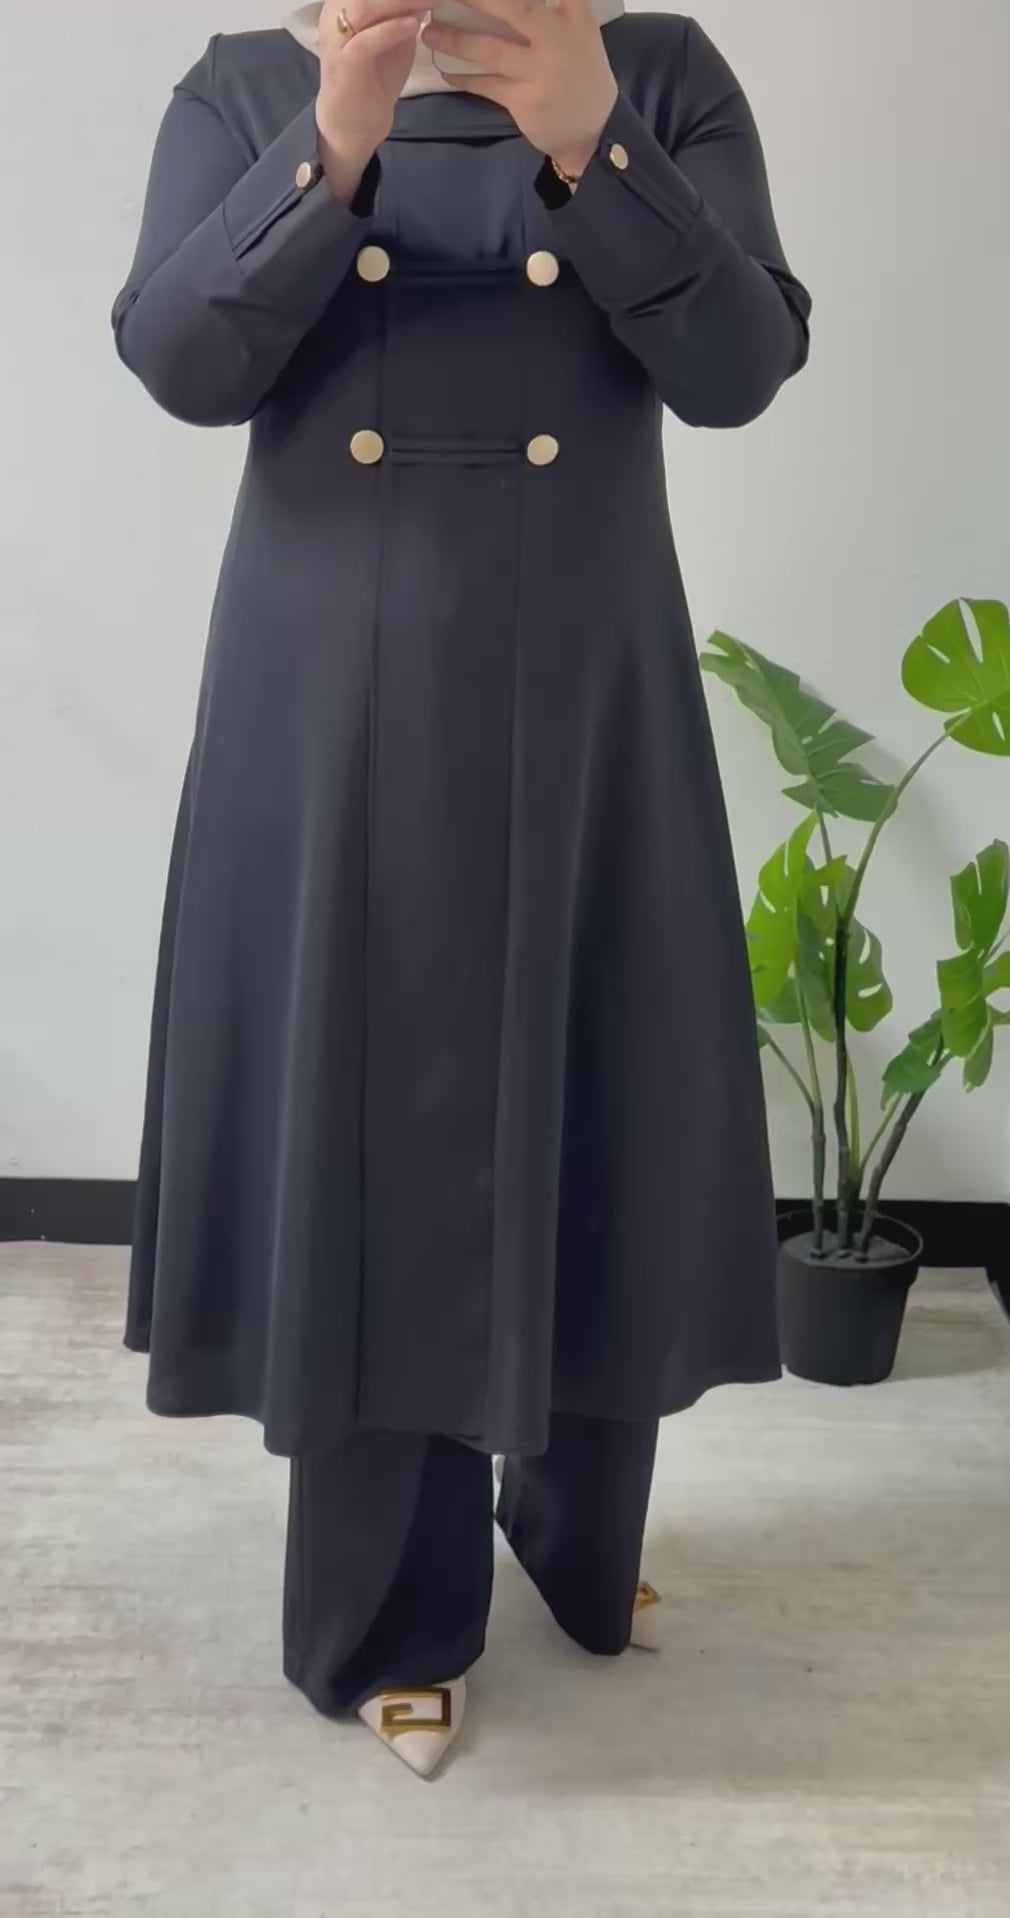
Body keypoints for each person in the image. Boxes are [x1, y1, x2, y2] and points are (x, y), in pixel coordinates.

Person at [113, 0, 811, 1776]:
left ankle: (576, 1539)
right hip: (329, 696)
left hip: (582, 682)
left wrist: (591, 135)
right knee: (380, 1119)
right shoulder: (250, 84)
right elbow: (180, 361)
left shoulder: (654, 72)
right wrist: (333, 138)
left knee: (598, 1082)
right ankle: (388, 1616)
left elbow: (738, 367)